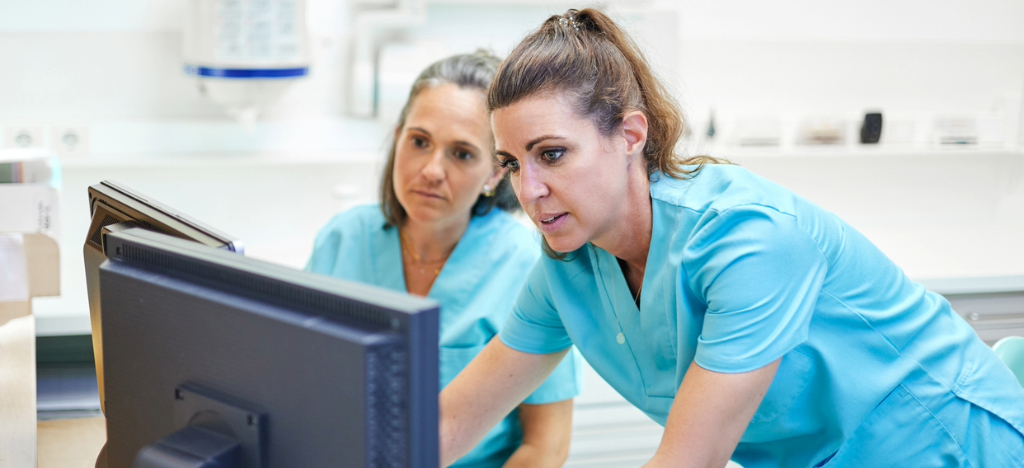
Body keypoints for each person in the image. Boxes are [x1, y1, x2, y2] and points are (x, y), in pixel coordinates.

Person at [439, 9, 1024, 468]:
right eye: (512, 163)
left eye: (552, 154)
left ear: (630, 135)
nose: (530, 189)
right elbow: (448, 425)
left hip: (946, 440)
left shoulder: (748, 237)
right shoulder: (567, 272)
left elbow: (688, 462)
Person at [307, 51, 582, 468]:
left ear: (494, 173)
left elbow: (546, 447)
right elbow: (297, 388)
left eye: (462, 153)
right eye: (419, 142)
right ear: (398, 139)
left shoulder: (527, 267)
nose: (433, 170)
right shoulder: (342, 241)